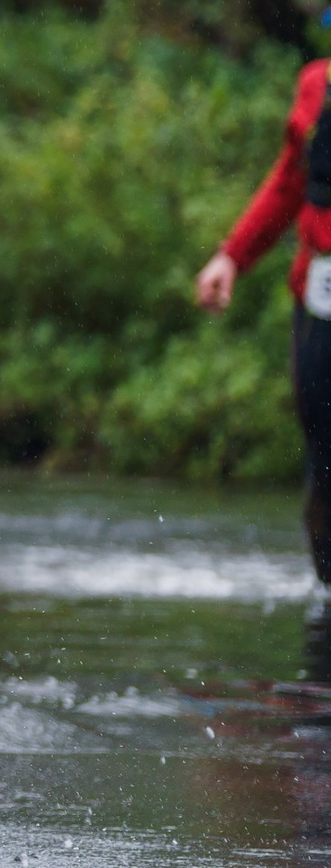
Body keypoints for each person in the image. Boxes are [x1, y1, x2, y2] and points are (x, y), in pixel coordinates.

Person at [198, 43, 331, 601]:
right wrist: (232, 255)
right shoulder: (317, 87)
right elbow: (288, 184)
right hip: (321, 298)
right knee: (325, 456)